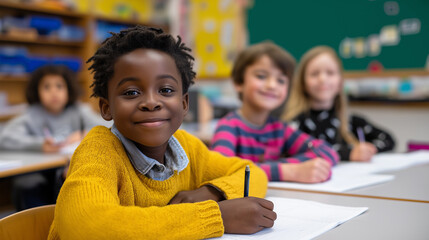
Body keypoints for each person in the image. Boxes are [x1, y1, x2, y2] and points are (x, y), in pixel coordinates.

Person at [48, 26, 276, 240]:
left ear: (185, 103)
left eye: (166, 90)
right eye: (131, 92)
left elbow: (252, 173)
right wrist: (217, 216)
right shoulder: (99, 152)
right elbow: (87, 226)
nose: (151, 102)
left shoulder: (186, 147)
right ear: (106, 108)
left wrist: (211, 192)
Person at [211, 42, 339, 183]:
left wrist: (287, 166)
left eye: (281, 80)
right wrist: (289, 171)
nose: (272, 85)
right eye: (261, 76)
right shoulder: (229, 126)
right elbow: (220, 170)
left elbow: (328, 152)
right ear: (239, 82)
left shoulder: (279, 129)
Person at [0, 64, 104, 210]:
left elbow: (108, 125)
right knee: (27, 183)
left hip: (67, 168)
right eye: (47, 87)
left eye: (59, 86)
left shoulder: (79, 110)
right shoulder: (32, 114)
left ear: (69, 89)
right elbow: (5, 138)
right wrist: (39, 145)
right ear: (37, 91)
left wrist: (84, 134)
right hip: (38, 171)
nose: (54, 92)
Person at [282, 46, 395, 162]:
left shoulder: (351, 122)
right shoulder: (294, 125)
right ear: (302, 83)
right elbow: (299, 153)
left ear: (340, 82)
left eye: (330, 73)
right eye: (314, 74)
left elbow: (388, 140)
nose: (322, 79)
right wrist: (347, 153)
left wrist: (369, 150)